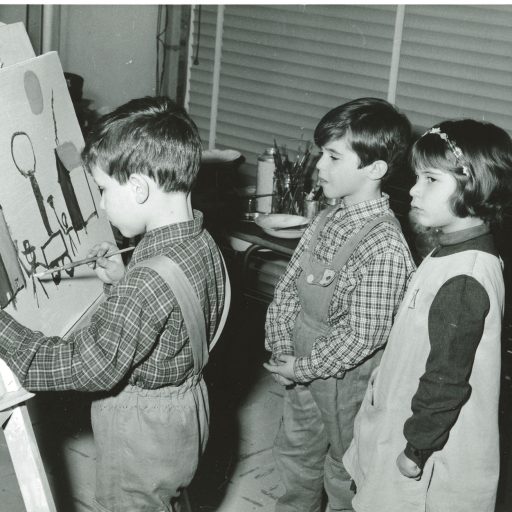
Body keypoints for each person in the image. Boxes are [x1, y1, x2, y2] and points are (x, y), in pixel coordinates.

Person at [0, 96, 226, 512]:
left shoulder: (145, 284)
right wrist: (122, 280)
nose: (100, 205)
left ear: (139, 187)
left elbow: (89, 365)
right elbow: (179, 312)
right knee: (167, 498)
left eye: (103, 190)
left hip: (142, 429)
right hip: (188, 411)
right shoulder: (201, 243)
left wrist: (7, 332)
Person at [343, 119, 512, 512]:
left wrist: (416, 449)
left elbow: (446, 381)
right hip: (402, 425)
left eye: (431, 180)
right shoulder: (447, 251)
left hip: (428, 451)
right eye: (417, 178)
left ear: (476, 186)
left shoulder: (466, 278)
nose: (414, 190)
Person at [263, 97, 416, 512]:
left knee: (344, 467)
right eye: (321, 154)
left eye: (333, 156)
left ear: (375, 170)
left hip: (348, 378)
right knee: (295, 454)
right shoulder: (326, 218)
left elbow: (363, 334)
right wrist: (283, 347)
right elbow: (289, 288)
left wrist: (306, 366)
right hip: (304, 361)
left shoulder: (385, 245)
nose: (319, 167)